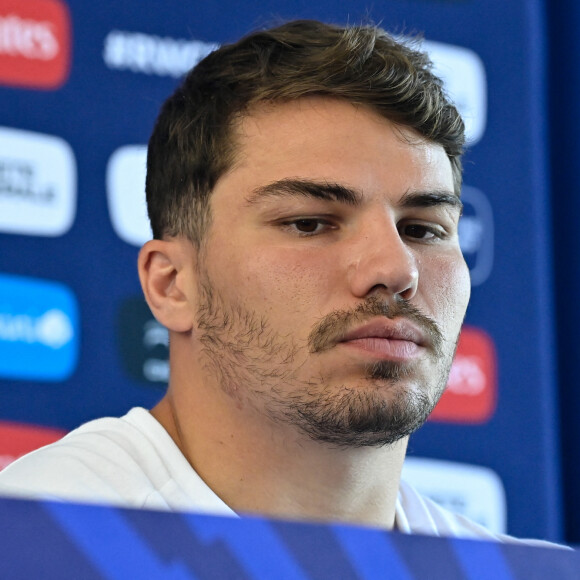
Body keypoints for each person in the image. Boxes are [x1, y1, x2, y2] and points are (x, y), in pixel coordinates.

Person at [0, 20, 557, 545]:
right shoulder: (31, 540)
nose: (396, 269)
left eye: (422, 228)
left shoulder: (515, 571)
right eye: (309, 223)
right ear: (172, 285)